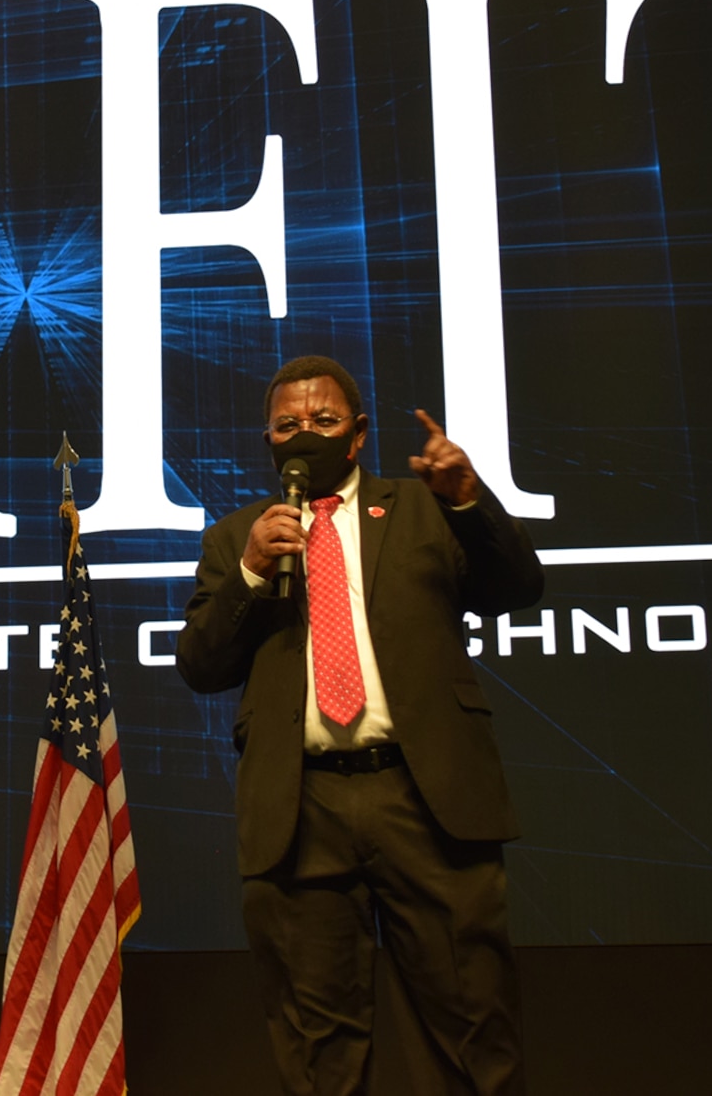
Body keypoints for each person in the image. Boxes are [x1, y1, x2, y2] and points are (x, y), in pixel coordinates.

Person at [176, 355, 543, 1096]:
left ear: (358, 436)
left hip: (422, 795)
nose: (303, 432)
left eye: (323, 419)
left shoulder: (421, 507)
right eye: (287, 424)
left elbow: (516, 590)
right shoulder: (237, 536)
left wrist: (468, 499)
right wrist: (249, 571)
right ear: (267, 440)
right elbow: (202, 664)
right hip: (300, 805)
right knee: (319, 1046)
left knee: (474, 1020)